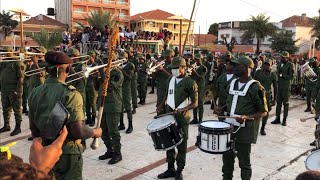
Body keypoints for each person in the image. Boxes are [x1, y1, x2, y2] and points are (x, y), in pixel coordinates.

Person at [28, 51, 102, 179]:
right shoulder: (71, 94)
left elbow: (34, 130)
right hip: (68, 154)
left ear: (46, 69)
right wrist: (96, 132)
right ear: (68, 68)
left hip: (45, 153)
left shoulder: (35, 92)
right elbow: (79, 131)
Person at [219, 56, 267, 180]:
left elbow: (263, 111)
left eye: (237, 66)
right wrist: (221, 109)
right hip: (229, 128)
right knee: (227, 159)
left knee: (244, 162)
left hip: (244, 131)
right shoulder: (233, 83)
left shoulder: (255, 87)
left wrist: (247, 117)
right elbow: (231, 102)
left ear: (246, 68)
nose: (234, 68)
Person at [156, 56, 198, 180]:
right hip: (169, 115)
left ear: (183, 68)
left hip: (182, 118)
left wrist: (183, 109)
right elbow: (167, 94)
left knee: (181, 144)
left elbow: (195, 103)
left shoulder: (190, 82)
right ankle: (170, 168)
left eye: (176, 68)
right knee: (169, 143)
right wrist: (161, 105)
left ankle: (179, 170)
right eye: (172, 68)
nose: (174, 70)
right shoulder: (171, 80)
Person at [98, 54, 124, 164]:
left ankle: (118, 153)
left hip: (113, 106)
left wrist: (103, 73)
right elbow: (97, 87)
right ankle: (110, 150)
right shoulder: (104, 73)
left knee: (113, 131)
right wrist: (96, 77)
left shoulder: (118, 74)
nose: (104, 62)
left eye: (107, 61)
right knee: (103, 131)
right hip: (103, 105)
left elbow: (110, 86)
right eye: (104, 60)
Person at [0, 46, 24, 136]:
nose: (4, 54)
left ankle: (18, 127)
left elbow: (20, 78)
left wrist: (17, 91)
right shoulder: (3, 62)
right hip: (4, 90)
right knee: (5, 108)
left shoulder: (16, 62)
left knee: (16, 109)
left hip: (14, 90)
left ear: (11, 51)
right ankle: (6, 125)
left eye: (5, 52)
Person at [254, 59, 278, 135]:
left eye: (268, 65)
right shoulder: (258, 72)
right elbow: (253, 82)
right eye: (265, 64)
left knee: (266, 111)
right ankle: (254, 127)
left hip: (267, 95)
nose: (266, 66)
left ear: (270, 66)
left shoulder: (273, 75)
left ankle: (263, 128)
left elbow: (275, 87)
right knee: (255, 110)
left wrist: (275, 99)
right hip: (257, 93)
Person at [271, 51, 294, 126]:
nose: (281, 58)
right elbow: (277, 72)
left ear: (286, 58)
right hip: (279, 86)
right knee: (278, 103)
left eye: (283, 57)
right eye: (281, 57)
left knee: (286, 103)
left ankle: (284, 119)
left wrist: (282, 75)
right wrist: (278, 74)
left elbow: (292, 76)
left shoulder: (290, 65)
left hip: (286, 86)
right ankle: (277, 118)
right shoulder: (279, 63)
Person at [118, 51, 135, 134]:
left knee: (128, 107)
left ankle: (130, 125)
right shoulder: (119, 65)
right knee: (120, 107)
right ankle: (121, 123)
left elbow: (130, 77)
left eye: (122, 59)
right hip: (119, 88)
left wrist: (122, 70)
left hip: (126, 88)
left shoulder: (130, 65)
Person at [154, 49, 174, 115]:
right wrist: (155, 70)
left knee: (169, 109)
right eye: (164, 56)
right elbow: (155, 76)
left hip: (170, 90)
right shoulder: (164, 64)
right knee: (160, 107)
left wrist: (163, 69)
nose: (165, 58)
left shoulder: (175, 66)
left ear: (172, 56)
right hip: (161, 89)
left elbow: (173, 77)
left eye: (167, 57)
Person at [190, 53, 207, 124]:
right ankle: (195, 118)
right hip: (194, 87)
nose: (196, 61)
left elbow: (201, 77)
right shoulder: (194, 66)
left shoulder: (204, 68)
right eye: (196, 59)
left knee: (200, 104)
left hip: (201, 87)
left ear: (201, 60)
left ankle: (200, 119)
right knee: (194, 103)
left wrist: (194, 71)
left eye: (198, 59)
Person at [85, 51, 99, 126]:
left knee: (93, 104)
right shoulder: (86, 65)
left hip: (93, 87)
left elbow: (97, 76)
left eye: (88, 57)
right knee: (87, 104)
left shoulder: (95, 65)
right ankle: (88, 118)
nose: (87, 58)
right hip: (86, 86)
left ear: (92, 57)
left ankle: (93, 119)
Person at [126, 47, 138, 114]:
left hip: (133, 77)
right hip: (127, 77)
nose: (127, 53)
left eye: (128, 52)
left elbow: (136, 69)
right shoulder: (127, 59)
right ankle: (128, 107)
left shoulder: (134, 59)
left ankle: (134, 107)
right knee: (127, 93)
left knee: (133, 92)